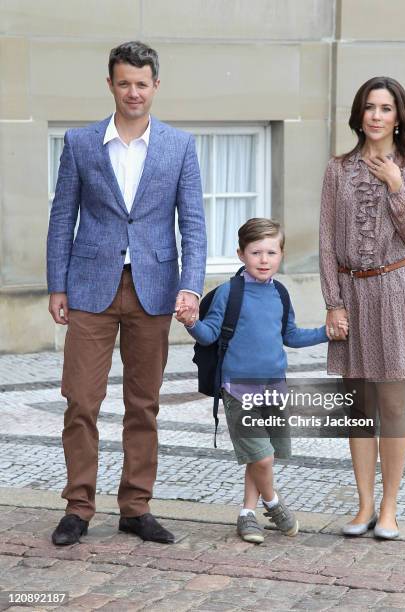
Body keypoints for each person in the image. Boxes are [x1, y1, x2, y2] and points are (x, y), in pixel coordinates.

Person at [46, 41, 207, 545]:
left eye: (141, 83)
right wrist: (57, 284)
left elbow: (194, 226)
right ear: (110, 84)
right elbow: (61, 219)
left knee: (144, 405)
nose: (133, 92)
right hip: (90, 288)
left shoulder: (179, 146)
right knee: (81, 401)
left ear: (155, 85)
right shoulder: (80, 143)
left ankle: (135, 508)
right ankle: (78, 507)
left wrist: (191, 286)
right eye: (124, 83)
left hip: (154, 290)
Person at [177, 218, 348, 543]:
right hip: (238, 391)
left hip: (274, 391)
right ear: (241, 254)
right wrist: (191, 322)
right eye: (256, 252)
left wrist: (327, 334)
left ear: (281, 254)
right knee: (263, 456)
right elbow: (209, 334)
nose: (264, 259)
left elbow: (291, 335)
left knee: (261, 457)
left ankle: (247, 514)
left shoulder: (280, 294)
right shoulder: (230, 292)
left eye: (271, 252)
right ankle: (274, 503)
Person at [319, 76, 405, 539]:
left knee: (392, 407)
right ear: (359, 114)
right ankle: (363, 505)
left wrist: (397, 185)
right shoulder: (337, 169)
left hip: (397, 291)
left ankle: (389, 509)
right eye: (370, 107)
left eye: (386, 108)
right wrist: (333, 303)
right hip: (353, 295)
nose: (377, 116)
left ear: (399, 116)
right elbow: (326, 239)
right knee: (359, 408)